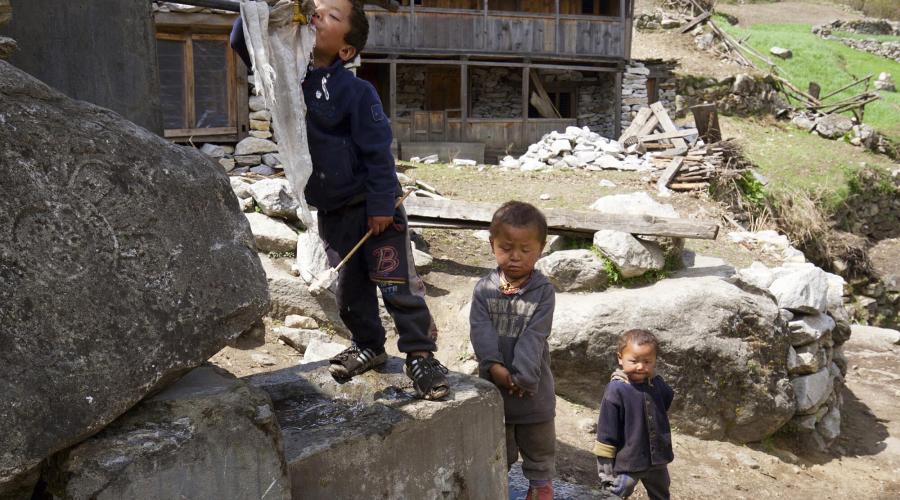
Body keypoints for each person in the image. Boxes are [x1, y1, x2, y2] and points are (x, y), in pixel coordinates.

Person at [230, 0, 449, 400]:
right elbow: (245, 37)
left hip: (374, 210)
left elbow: (378, 152)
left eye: (330, 15)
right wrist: (271, 9)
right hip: (332, 212)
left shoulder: (356, 90)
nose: (316, 14)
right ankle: (368, 344)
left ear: (346, 51)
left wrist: (383, 206)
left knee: (395, 283)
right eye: (316, 7)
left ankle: (421, 355)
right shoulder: (288, 78)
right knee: (349, 291)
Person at [469, 201, 556, 500]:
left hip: (532, 390)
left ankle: (541, 489)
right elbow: (481, 331)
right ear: (492, 244)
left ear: (541, 249)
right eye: (506, 248)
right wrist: (494, 367)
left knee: (539, 447)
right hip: (494, 389)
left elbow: (535, 335)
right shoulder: (484, 289)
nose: (516, 257)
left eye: (525, 249)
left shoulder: (543, 292)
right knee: (496, 450)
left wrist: (523, 377)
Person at [594, 329, 674, 499]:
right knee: (616, 492)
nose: (640, 366)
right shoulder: (617, 389)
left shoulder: (656, 385)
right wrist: (606, 472)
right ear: (620, 358)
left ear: (655, 362)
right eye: (634, 361)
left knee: (661, 493)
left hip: (657, 461)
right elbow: (606, 432)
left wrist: (655, 377)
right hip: (629, 461)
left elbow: (666, 400)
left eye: (647, 361)